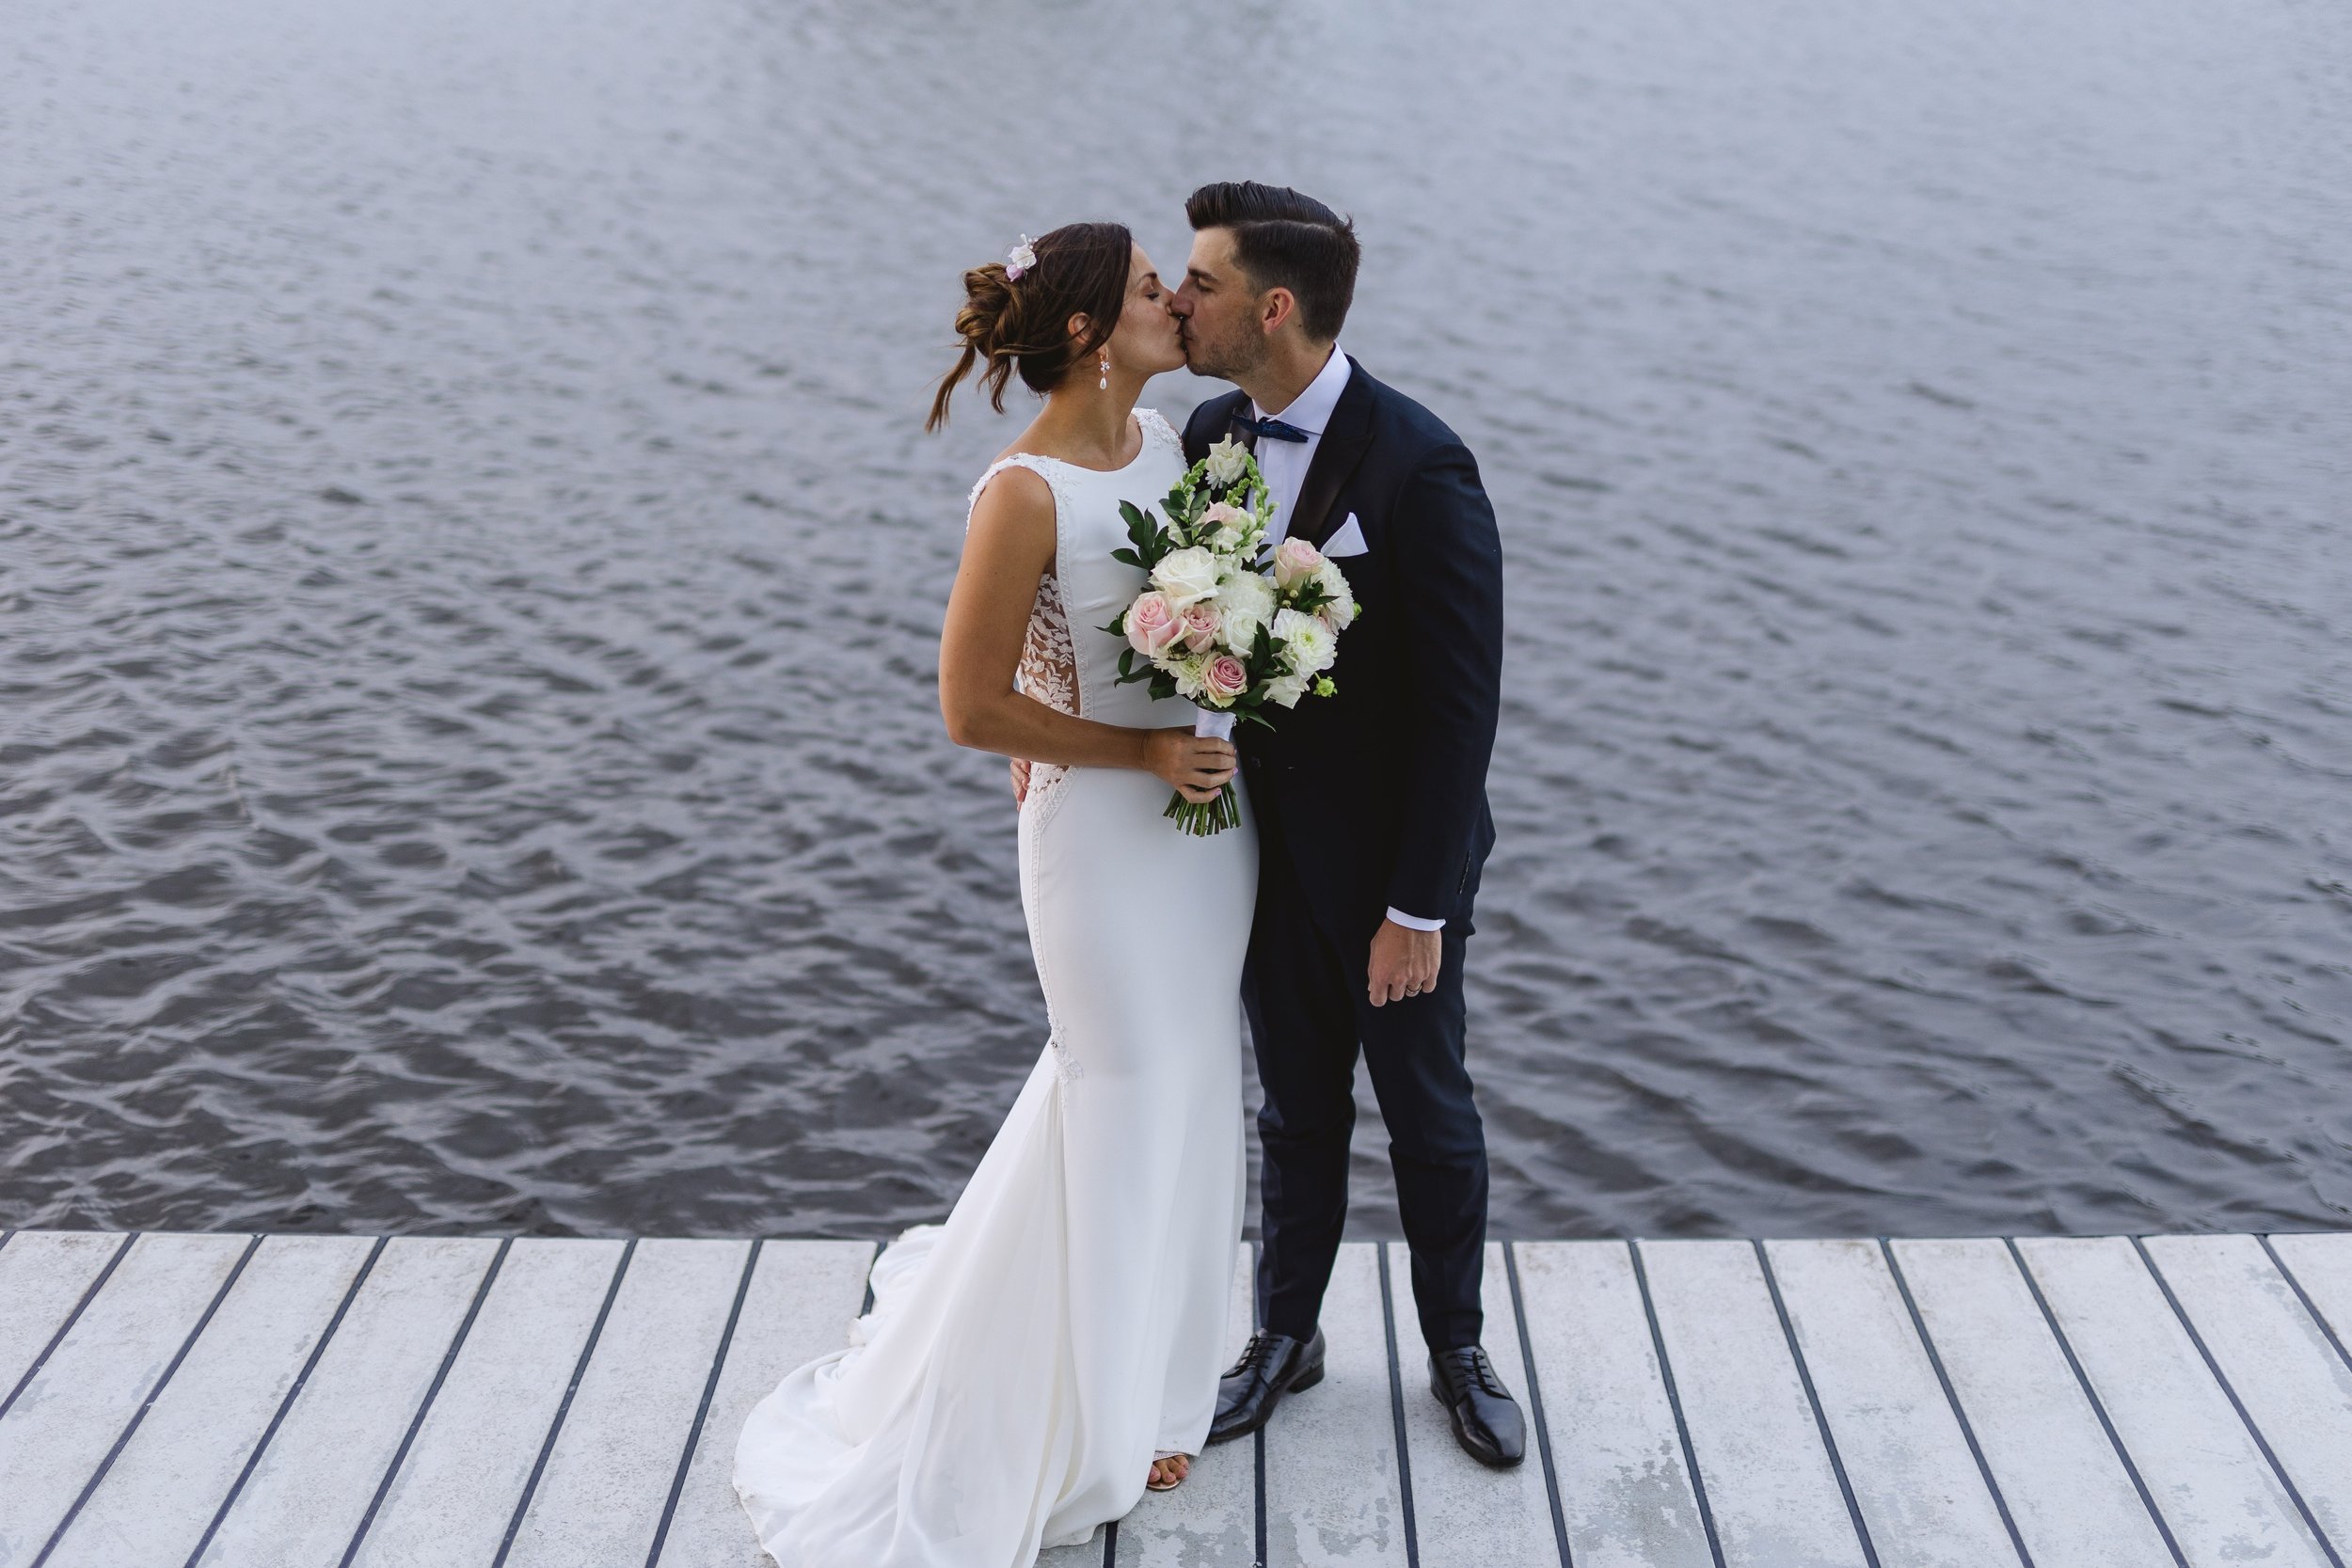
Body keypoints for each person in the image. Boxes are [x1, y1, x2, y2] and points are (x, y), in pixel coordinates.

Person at [732, 222, 1258, 1564]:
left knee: (1193, 1080)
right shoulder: (1021, 494)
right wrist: (1130, 749)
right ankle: (1074, 1412)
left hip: (1210, 834)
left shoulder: (1179, 449)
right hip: (1100, 838)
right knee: (1119, 1082)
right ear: (1088, 332)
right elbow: (973, 705)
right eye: (1152, 291)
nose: (1177, 308)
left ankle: (1158, 1379)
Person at [1170, 181, 1522, 1468]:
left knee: (1429, 1115)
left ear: (1274, 308)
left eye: (1199, 283)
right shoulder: (1211, 430)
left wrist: (1418, 903)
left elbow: (1460, 707)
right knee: (1295, 1113)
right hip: (1257, 863)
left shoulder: (1421, 462)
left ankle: (1457, 1351)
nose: (1176, 300)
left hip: (1391, 876)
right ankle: (1284, 1338)